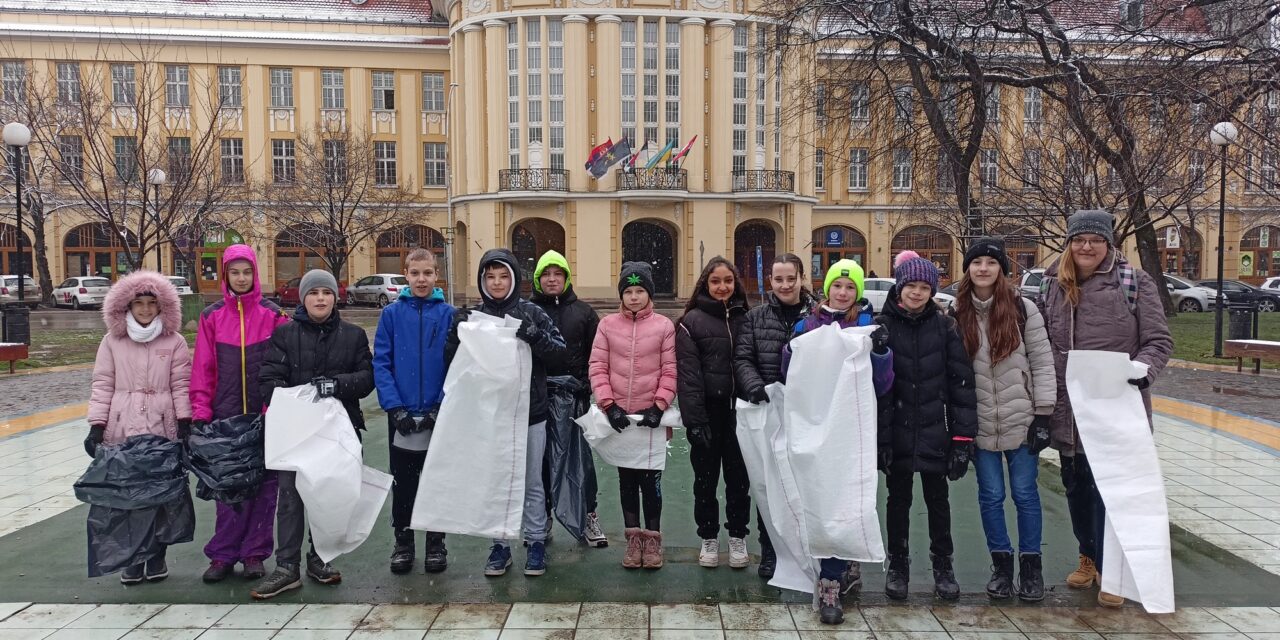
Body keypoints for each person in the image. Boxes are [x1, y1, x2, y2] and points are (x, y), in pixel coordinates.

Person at [1037, 210, 1172, 608]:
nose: (1087, 247)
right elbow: (1041, 340)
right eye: (1079, 240)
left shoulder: (1132, 281)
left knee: (1115, 492)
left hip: (1116, 410)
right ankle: (1090, 557)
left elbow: (1158, 340)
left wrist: (1139, 374)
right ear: (1070, 243)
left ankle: (1116, 573)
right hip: (1070, 411)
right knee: (1078, 488)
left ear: (1108, 244)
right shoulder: (1051, 283)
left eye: (1095, 240)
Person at [780, 257, 895, 624]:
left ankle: (834, 574)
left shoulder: (867, 326)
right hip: (815, 426)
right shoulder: (807, 325)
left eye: (850, 287)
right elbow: (790, 377)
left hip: (850, 429)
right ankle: (830, 569)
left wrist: (880, 353)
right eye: (837, 286)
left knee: (848, 497)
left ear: (858, 292)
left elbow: (882, 384)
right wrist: (792, 350)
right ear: (827, 287)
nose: (843, 293)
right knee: (816, 496)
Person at [253, 269, 375, 599]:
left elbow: (366, 378)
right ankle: (286, 566)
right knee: (290, 500)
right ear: (303, 298)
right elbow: (268, 379)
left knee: (330, 497)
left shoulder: (353, 336)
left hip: (339, 432)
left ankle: (320, 558)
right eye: (313, 293)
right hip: (295, 434)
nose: (320, 298)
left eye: (326, 292)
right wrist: (299, 398)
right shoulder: (285, 335)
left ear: (335, 297)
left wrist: (338, 385)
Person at [447, 248, 566, 577]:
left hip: (531, 414)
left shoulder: (532, 313)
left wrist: (534, 337)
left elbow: (559, 354)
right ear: (482, 280)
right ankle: (499, 546)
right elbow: (455, 368)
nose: (497, 282)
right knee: (497, 481)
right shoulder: (476, 318)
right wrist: (454, 338)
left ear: (514, 278)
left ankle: (535, 540)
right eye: (490, 276)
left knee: (531, 481)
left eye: (503, 276)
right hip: (492, 415)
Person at [950, 237, 1056, 602]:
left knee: (1026, 494)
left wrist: (1043, 414)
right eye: (976, 262)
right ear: (968, 269)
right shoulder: (956, 312)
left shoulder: (1023, 309)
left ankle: (1031, 567)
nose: (983, 268)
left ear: (1002, 269)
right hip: (979, 422)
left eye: (991, 262)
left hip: (1021, 417)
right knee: (991, 495)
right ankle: (1001, 566)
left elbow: (1042, 362)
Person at [876, 251, 978, 602]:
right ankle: (898, 563)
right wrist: (881, 439)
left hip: (936, 429)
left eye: (924, 287)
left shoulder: (945, 327)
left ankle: (943, 564)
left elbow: (961, 383)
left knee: (938, 500)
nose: (917, 293)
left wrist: (963, 438)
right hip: (898, 429)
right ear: (899, 287)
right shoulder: (881, 326)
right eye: (911, 286)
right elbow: (876, 389)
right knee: (898, 500)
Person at [189, 244, 289, 583]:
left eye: (247, 272)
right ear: (226, 275)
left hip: (265, 415)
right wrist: (201, 410)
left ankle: (255, 554)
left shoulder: (272, 315)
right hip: (226, 414)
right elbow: (203, 367)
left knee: (264, 486)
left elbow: (281, 365)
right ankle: (223, 554)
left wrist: (273, 407)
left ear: (255, 274)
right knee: (228, 486)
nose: (242, 278)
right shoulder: (212, 316)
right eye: (235, 272)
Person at [86, 270, 192, 584]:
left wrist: (185, 422)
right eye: (139, 303)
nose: (145, 309)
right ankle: (133, 557)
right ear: (126, 307)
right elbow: (103, 384)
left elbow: (180, 385)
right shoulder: (112, 342)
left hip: (161, 428)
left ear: (162, 307)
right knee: (128, 497)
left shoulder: (174, 342)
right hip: (123, 427)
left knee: (160, 495)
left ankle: (155, 554)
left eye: (151, 303)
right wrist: (97, 424)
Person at [733, 253, 816, 579]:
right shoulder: (755, 318)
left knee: (805, 486)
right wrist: (755, 386)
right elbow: (743, 358)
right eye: (778, 279)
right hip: (767, 415)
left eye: (790, 278)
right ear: (771, 280)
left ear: (801, 278)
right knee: (769, 486)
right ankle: (771, 551)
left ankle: (807, 550)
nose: (784, 285)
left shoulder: (817, 317)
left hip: (807, 416)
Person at [588, 261, 677, 569]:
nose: (635, 297)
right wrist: (608, 405)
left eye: (640, 291)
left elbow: (670, 370)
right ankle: (633, 539)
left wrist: (660, 404)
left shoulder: (664, 327)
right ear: (622, 295)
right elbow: (598, 367)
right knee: (626, 480)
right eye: (629, 291)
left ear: (649, 293)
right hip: (621, 419)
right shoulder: (607, 326)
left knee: (651, 481)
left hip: (649, 419)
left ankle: (652, 539)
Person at [373, 248, 455, 575]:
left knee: (437, 481)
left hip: (438, 416)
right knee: (404, 483)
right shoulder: (392, 315)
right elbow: (382, 362)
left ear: (437, 275)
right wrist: (394, 409)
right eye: (415, 273)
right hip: (402, 416)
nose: (422, 280)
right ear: (405, 275)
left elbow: (456, 365)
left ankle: (436, 541)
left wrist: (440, 407)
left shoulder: (448, 314)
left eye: (428, 273)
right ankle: (403, 541)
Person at [676, 256, 751, 570]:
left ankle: (737, 535)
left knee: (739, 480)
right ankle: (708, 536)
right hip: (708, 412)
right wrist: (695, 420)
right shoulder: (691, 321)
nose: (723, 287)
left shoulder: (747, 317)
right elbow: (688, 375)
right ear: (706, 284)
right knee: (705, 481)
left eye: (728, 281)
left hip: (741, 414)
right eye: (716, 281)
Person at [530, 250, 606, 548]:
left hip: (575, 400)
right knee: (541, 462)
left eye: (557, 274)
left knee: (580, 462)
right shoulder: (528, 311)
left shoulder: (584, 313)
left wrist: (586, 385)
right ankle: (544, 516)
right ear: (538, 279)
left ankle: (588, 514)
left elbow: (598, 354)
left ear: (566, 278)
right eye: (546, 274)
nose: (551, 279)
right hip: (537, 399)